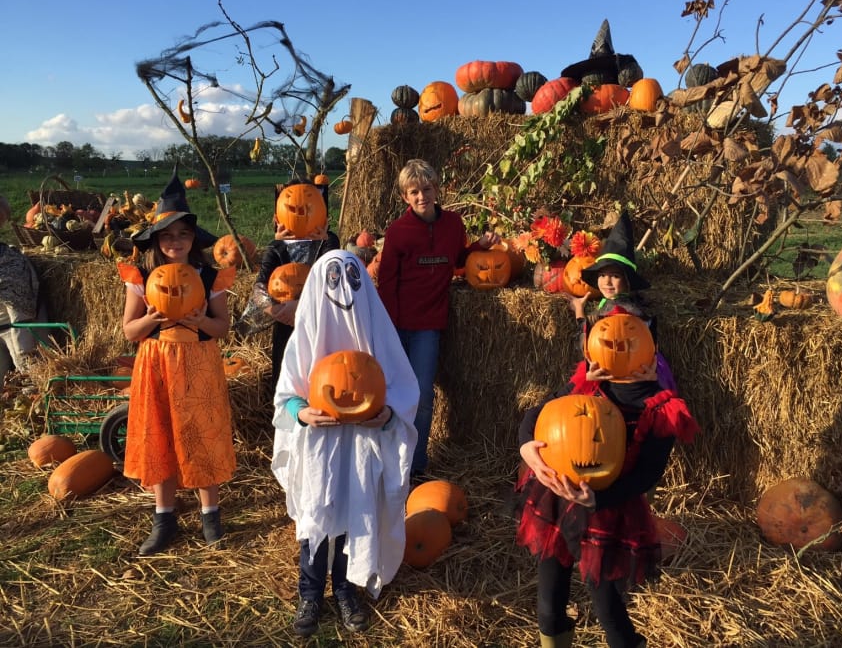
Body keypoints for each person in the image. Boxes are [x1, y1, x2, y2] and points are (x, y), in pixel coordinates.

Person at [516, 328, 699, 648]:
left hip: (608, 509)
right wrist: (525, 447)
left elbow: (648, 474)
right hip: (557, 503)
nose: (618, 351)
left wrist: (598, 498)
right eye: (609, 343)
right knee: (548, 606)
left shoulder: (660, 409)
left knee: (608, 610)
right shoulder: (586, 386)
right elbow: (537, 413)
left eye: (629, 344)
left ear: (651, 352)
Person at [272, 249, 419, 638]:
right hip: (320, 446)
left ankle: (345, 589)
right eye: (333, 279)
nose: (344, 290)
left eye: (353, 279)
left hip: (361, 447)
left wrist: (388, 414)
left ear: (364, 286)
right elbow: (285, 396)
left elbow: (404, 390)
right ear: (319, 286)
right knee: (317, 516)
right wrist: (301, 412)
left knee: (356, 512)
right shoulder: (306, 336)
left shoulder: (379, 336)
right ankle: (310, 593)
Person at [118, 169, 237, 556]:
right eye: (167, 235)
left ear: (193, 238)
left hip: (199, 363)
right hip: (156, 363)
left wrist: (201, 321)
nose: (175, 241)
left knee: (203, 435)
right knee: (160, 434)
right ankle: (164, 517)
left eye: (183, 234)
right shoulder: (142, 276)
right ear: (156, 239)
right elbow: (130, 331)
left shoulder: (209, 276)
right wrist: (151, 319)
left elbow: (222, 327)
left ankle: (210, 515)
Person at [376, 158, 500, 478]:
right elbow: (386, 283)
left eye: (427, 189)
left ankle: (415, 465)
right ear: (405, 197)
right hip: (397, 325)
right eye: (414, 192)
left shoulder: (453, 224)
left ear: (436, 190)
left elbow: (456, 260)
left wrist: (478, 248)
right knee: (390, 394)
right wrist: (388, 330)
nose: (422, 196)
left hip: (428, 326)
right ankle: (386, 459)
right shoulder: (398, 232)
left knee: (422, 395)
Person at [568, 210, 677, 392]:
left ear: (627, 281)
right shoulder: (618, 304)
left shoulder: (620, 311)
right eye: (602, 275)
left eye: (615, 276)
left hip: (620, 379)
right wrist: (580, 308)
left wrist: (579, 312)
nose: (607, 282)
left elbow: (587, 341)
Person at [252, 179, 338, 387]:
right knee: (288, 382)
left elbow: (333, 281)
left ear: (323, 214)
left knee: (321, 381)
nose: (300, 213)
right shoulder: (276, 247)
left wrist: (300, 306)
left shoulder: (329, 242)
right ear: (277, 217)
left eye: (309, 208)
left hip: (319, 324)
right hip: (286, 325)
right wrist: (278, 310)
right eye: (292, 209)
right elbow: (259, 288)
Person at [0, 196, 41, 383]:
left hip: (9, 327)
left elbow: (19, 318)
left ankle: (30, 384)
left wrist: (24, 357)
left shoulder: (12, 264)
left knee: (24, 365)